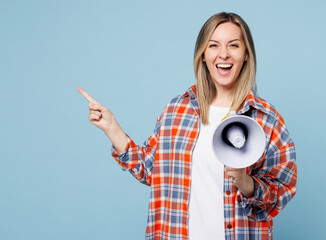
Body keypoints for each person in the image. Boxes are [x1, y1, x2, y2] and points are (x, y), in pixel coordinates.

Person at [78, 12, 297, 240]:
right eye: (214, 45)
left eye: (233, 45)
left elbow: (283, 189)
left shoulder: (266, 119)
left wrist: (247, 183)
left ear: (246, 55)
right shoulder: (177, 110)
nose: (223, 54)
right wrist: (112, 127)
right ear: (203, 54)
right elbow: (151, 169)